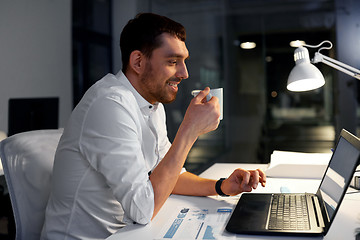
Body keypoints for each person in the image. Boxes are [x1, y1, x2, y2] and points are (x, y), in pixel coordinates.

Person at [40, 13, 266, 240]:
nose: (184, 73)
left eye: (184, 61)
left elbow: (169, 175)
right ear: (138, 62)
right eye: (172, 62)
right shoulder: (109, 104)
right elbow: (142, 209)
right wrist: (189, 131)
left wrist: (221, 187)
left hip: (127, 232)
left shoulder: (151, 104)